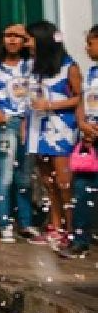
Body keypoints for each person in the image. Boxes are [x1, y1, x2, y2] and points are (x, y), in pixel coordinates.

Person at [26, 20, 81, 249]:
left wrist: (51, 105)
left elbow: (79, 97)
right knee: (47, 181)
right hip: (38, 127)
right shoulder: (34, 66)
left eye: (29, 39)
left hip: (61, 129)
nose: (26, 43)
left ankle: (71, 229)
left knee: (63, 182)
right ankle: (54, 226)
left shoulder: (69, 67)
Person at [0, 23, 36, 242]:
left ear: (25, 40)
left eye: (18, 36)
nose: (12, 40)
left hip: (28, 124)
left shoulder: (31, 65)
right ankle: (5, 224)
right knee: (5, 175)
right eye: (8, 35)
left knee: (24, 177)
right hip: (5, 125)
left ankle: (26, 223)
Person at [67, 25, 98, 259]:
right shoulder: (90, 73)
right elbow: (81, 102)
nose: (87, 48)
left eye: (91, 43)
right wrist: (82, 124)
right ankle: (80, 239)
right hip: (89, 140)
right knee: (82, 189)